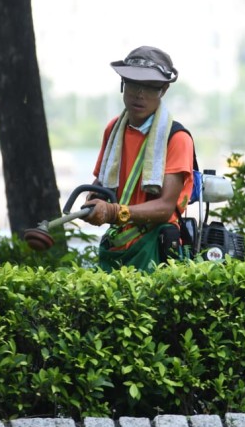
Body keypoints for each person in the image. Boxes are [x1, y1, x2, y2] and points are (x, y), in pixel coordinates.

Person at [84, 46, 196, 272]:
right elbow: (102, 183)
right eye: (134, 84)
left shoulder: (177, 138)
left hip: (156, 247)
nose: (139, 94)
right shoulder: (113, 129)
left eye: (149, 87)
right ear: (123, 84)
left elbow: (165, 208)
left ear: (163, 90)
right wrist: (92, 202)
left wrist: (113, 212)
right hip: (117, 244)